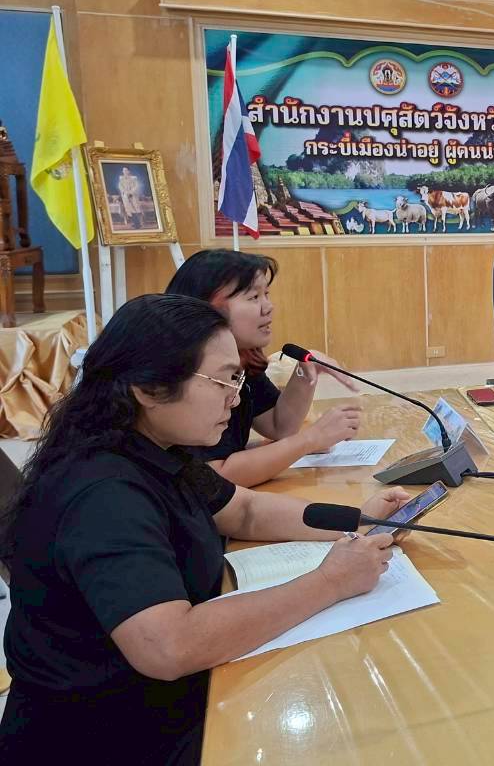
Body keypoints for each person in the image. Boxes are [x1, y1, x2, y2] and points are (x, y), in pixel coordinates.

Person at [0, 294, 411, 764]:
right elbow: (169, 646)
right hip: (103, 737)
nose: (235, 398)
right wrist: (330, 582)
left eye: (238, 379)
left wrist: (358, 520)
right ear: (148, 388)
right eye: (222, 380)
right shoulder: (104, 494)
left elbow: (244, 511)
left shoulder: (154, 446)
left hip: (157, 704)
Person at [166, 249, 362, 487]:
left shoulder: (242, 358)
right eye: (253, 297)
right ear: (207, 306)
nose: (268, 307)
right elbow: (215, 478)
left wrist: (306, 370)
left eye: (266, 294)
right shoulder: (190, 375)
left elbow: (279, 426)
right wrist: (310, 439)